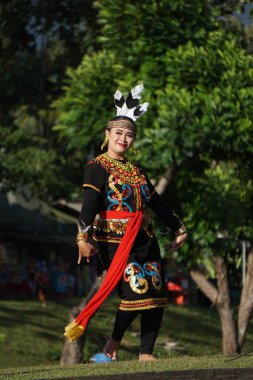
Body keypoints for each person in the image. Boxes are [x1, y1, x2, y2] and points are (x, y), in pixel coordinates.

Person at [64, 84, 187, 361]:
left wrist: (179, 228)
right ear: (107, 135)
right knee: (134, 292)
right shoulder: (97, 166)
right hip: (115, 241)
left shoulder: (137, 171)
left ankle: (146, 353)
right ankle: (113, 343)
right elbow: (88, 207)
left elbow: (157, 203)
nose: (123, 138)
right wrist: (82, 239)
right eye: (118, 133)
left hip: (145, 238)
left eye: (129, 135)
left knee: (155, 294)